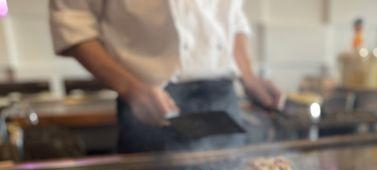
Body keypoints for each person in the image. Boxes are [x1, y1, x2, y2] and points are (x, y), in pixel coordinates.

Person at [49, 0, 282, 153]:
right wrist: (131, 88)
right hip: (148, 103)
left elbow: (232, 17)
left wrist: (249, 75)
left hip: (223, 101)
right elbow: (72, 23)